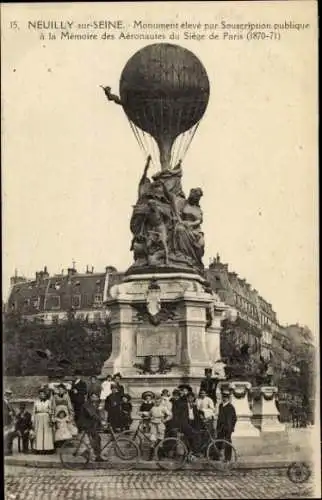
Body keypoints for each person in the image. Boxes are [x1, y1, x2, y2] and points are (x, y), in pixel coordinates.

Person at [78, 393, 103, 462]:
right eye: (93, 397)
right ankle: (94, 455)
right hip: (86, 425)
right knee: (96, 438)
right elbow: (92, 415)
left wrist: (101, 421)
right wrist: (101, 420)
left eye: (96, 397)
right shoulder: (87, 404)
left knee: (96, 439)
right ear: (90, 397)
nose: (94, 398)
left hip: (90, 425)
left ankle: (96, 454)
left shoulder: (94, 404)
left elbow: (97, 414)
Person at [148, 395, 172, 460]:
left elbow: (170, 415)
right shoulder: (153, 408)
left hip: (160, 425)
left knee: (160, 440)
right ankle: (150, 456)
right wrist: (150, 417)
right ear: (154, 401)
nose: (157, 402)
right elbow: (149, 414)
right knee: (152, 440)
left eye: (158, 401)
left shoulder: (163, 408)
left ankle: (160, 456)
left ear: (161, 401)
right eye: (156, 401)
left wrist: (165, 420)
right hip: (153, 425)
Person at [216, 390, 237, 461]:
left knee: (227, 442)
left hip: (227, 427)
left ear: (228, 398)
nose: (224, 399)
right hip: (220, 427)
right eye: (223, 397)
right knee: (218, 441)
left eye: (226, 397)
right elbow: (219, 417)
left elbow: (234, 418)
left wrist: (231, 427)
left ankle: (227, 458)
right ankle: (217, 456)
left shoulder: (230, 407)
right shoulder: (221, 405)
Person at [33, 388, 55, 454]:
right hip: (38, 419)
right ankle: (39, 449)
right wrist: (33, 420)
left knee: (46, 433)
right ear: (39, 395)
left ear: (45, 395)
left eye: (43, 394)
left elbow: (52, 411)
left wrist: (51, 418)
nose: (42, 395)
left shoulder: (48, 402)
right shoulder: (36, 402)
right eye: (40, 394)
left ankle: (47, 449)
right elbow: (33, 411)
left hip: (46, 418)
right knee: (39, 433)